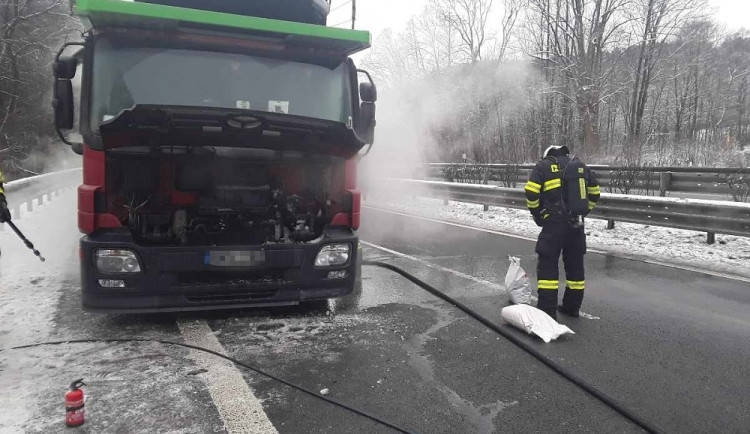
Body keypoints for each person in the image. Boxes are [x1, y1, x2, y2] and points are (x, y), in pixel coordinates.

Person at [524, 145, 600, 320]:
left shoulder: (543, 166)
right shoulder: (580, 166)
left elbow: (531, 192)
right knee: (575, 268)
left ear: (548, 154)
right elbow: (595, 193)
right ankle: (572, 307)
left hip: (553, 225)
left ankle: (547, 311)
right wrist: (583, 212)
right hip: (576, 225)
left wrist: (537, 215)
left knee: (548, 267)